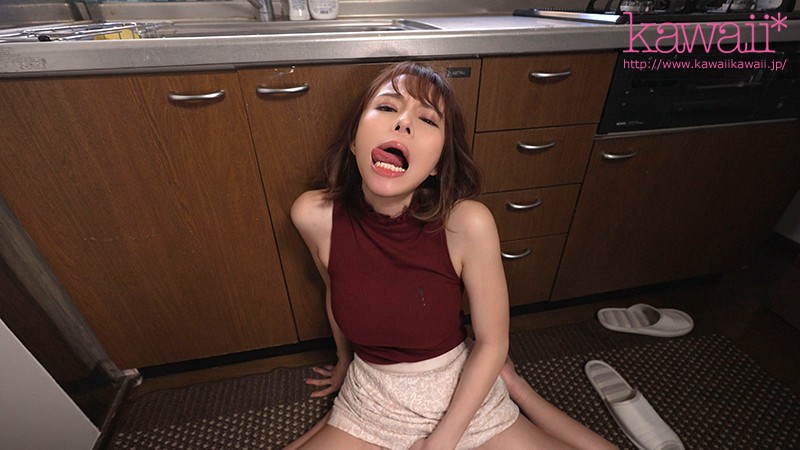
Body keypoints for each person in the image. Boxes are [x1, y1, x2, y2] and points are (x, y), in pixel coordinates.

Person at [286, 61, 616, 450]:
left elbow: (492, 343)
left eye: (427, 119)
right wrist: (345, 361)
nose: (403, 123)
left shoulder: (467, 223)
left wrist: (440, 442)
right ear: (355, 141)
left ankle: (517, 388)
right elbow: (335, 288)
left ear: (437, 165)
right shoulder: (312, 215)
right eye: (388, 107)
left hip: (460, 393)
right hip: (373, 395)